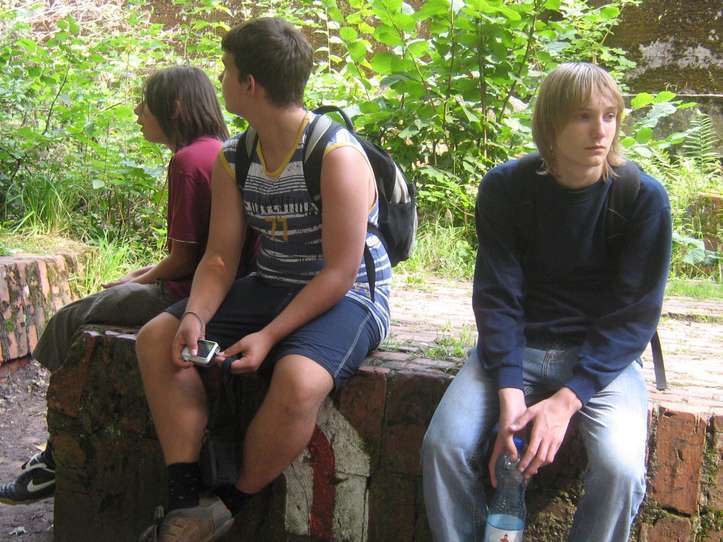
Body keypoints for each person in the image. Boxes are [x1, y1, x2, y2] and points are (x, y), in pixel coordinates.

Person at [136, 17, 390, 541]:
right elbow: (219, 259)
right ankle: (183, 498)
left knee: (298, 381)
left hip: (350, 294)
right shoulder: (235, 157)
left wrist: (270, 336)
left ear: (249, 84)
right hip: (272, 282)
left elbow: (340, 271)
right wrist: (196, 315)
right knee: (159, 338)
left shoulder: (336, 155)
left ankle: (227, 506)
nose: (220, 80)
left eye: (226, 70)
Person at [421, 62, 672, 541]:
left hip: (602, 360)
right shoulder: (507, 189)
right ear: (550, 124)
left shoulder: (642, 199)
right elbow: (498, 297)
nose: (600, 131)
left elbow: (632, 317)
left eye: (609, 115)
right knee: (443, 447)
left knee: (621, 470)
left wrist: (568, 400)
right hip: (519, 346)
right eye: (583, 116)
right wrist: (510, 393)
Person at [0, 66, 229, 506]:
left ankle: (54, 459)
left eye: (145, 102)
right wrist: (141, 273)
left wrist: (137, 278)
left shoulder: (187, 162)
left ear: (174, 108)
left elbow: (184, 261)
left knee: (70, 318)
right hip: (212, 290)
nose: (138, 111)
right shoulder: (219, 151)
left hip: (185, 296)